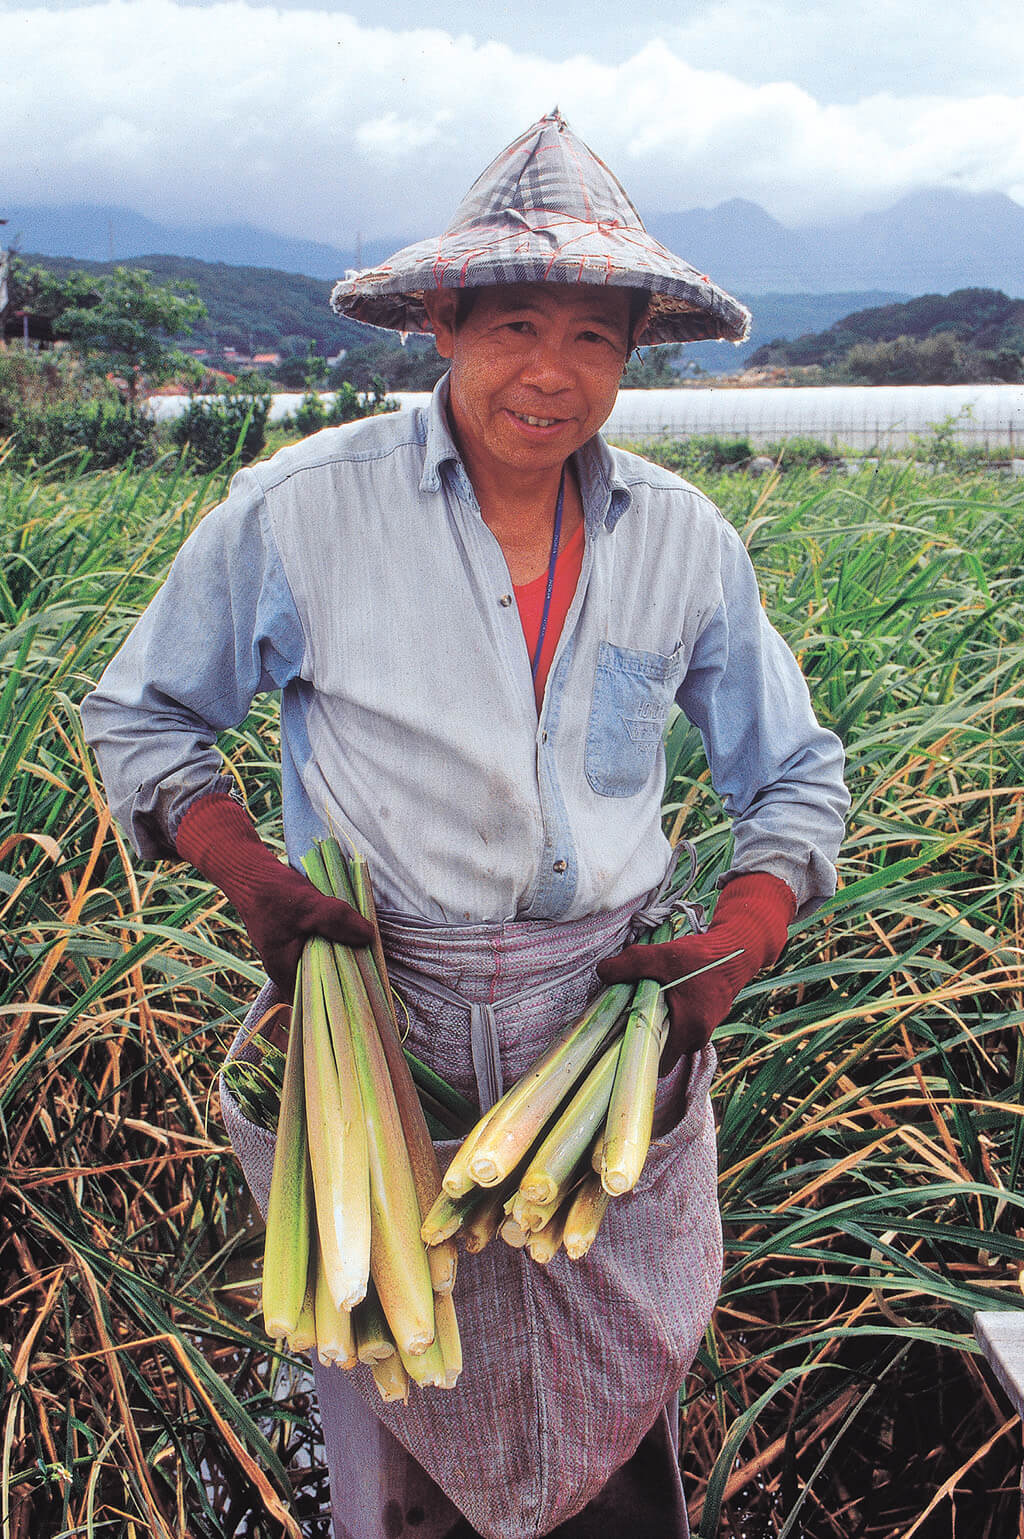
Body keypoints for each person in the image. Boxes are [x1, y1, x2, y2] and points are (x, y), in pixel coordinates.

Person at [82, 111, 849, 1539]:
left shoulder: (685, 540)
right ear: (443, 320)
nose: (551, 376)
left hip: (607, 1039)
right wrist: (250, 877)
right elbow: (141, 716)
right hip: (383, 1028)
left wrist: (733, 943)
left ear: (636, 352)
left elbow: (796, 774)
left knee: (621, 1433)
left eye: (595, 340)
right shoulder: (301, 511)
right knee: (406, 1416)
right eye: (513, 325)